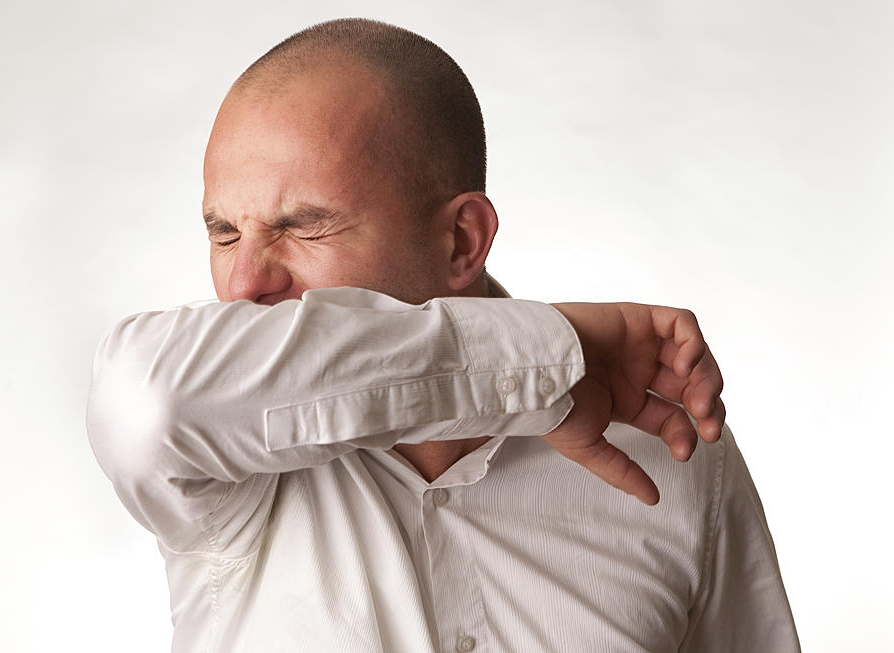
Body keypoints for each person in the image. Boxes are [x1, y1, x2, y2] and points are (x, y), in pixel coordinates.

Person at [86, 18, 799, 653]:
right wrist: (547, 357)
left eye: (304, 226)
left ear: (462, 241)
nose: (243, 284)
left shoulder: (670, 451)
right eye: (224, 232)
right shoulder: (229, 463)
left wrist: (545, 366)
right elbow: (142, 404)